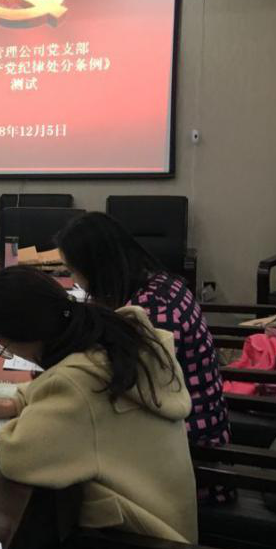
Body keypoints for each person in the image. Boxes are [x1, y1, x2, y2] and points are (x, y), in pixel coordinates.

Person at [0, 267, 224, 549]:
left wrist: (19, 416)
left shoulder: (77, 385)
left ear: (24, 337)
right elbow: (72, 389)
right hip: (170, 543)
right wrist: (17, 402)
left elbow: (18, 455)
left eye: (4, 344)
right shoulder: (122, 334)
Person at [56, 211, 232, 501]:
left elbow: (122, 389)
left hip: (190, 457)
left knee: (61, 454)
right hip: (180, 432)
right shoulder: (158, 283)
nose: (74, 281)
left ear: (97, 269)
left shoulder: (153, 313)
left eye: (73, 272)